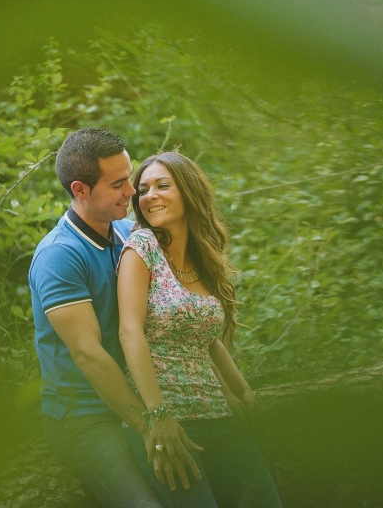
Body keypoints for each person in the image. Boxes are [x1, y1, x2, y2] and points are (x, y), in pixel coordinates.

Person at [28, 129, 203, 508]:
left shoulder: (129, 233)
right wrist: (149, 424)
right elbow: (88, 354)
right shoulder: (59, 256)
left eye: (131, 179)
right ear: (81, 190)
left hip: (142, 400)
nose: (133, 193)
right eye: (119, 184)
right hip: (86, 418)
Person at [117, 151, 282, 508]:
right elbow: (130, 333)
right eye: (142, 189)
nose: (149, 196)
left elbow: (208, 340)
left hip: (221, 416)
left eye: (163, 185)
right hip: (172, 426)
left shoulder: (202, 256)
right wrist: (157, 416)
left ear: (190, 192)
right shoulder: (141, 247)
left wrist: (242, 391)